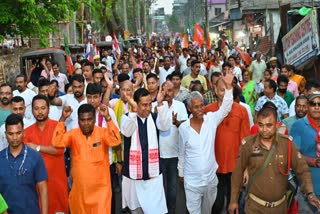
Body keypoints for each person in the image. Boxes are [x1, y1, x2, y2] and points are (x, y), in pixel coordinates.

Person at [229, 104, 320, 213]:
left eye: (269, 125)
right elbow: (237, 173)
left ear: (277, 124)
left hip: (280, 208)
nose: (264, 129)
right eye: (261, 125)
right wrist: (233, 200)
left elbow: (302, 170)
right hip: (254, 207)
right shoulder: (248, 144)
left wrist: (310, 193)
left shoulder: (287, 144)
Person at [178, 71, 234, 214]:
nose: (200, 109)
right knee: (193, 211)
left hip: (210, 180)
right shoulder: (184, 128)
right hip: (192, 182)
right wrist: (181, 173)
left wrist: (228, 87)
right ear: (189, 108)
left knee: (207, 210)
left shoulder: (211, 120)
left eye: (202, 105)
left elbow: (226, 108)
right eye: (196, 107)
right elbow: (182, 153)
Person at [52, 103, 121, 214]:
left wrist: (108, 118)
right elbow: (57, 141)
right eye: (82, 120)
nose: (86, 123)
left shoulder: (102, 133)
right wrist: (62, 119)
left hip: (100, 194)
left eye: (89, 119)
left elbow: (116, 140)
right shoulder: (73, 135)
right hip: (80, 194)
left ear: (94, 119)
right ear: (78, 121)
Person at [120, 87, 171, 213]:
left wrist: (159, 103)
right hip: (133, 176)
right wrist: (133, 111)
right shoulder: (126, 117)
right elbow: (127, 131)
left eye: (149, 104)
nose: (148, 108)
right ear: (136, 104)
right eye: (144, 105)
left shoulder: (154, 117)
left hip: (152, 176)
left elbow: (165, 126)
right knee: (135, 210)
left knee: (156, 210)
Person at [206, 77, 250, 214]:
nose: (225, 93)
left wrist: (246, 168)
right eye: (221, 90)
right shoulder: (208, 111)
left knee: (234, 205)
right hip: (214, 167)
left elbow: (246, 140)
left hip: (235, 166)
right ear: (215, 90)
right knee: (216, 204)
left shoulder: (241, 111)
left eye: (228, 90)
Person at [24, 95, 68, 214]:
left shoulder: (58, 127)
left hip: (57, 185)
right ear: (32, 110)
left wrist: (37, 147)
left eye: (43, 108)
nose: (40, 112)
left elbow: (59, 150)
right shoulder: (26, 132)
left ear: (49, 109)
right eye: (36, 108)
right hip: (37, 188)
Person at [0, 114, 48, 214]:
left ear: (23, 133)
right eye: (10, 133)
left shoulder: (35, 157)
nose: (14, 137)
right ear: (5, 134)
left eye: (18, 133)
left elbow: (43, 189)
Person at [155, 81, 188, 214]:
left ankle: (172, 211)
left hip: (175, 154)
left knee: (173, 189)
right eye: (164, 90)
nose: (167, 93)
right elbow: (160, 127)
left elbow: (186, 127)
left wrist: (178, 123)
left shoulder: (180, 106)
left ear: (174, 92)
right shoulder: (155, 106)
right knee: (160, 188)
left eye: (169, 90)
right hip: (159, 154)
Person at [290, 91, 320, 213]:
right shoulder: (298, 126)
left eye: (319, 103)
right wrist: (313, 161)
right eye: (313, 103)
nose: (317, 107)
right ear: (307, 106)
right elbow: (293, 155)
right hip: (308, 190)